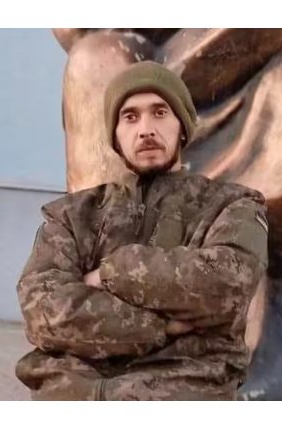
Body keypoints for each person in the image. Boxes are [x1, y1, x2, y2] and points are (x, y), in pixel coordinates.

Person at [15, 61, 269, 400]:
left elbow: (224, 285)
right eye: (130, 117)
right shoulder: (73, 216)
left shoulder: (231, 206)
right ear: (116, 137)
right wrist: (163, 325)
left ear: (182, 127)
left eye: (160, 113)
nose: (146, 129)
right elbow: (43, 311)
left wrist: (109, 274)